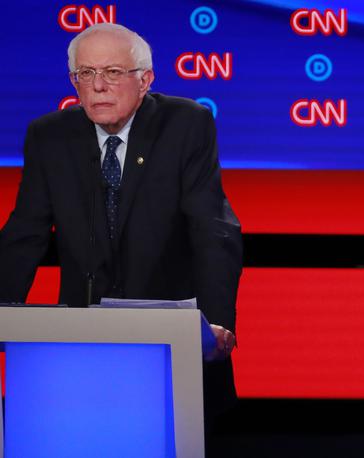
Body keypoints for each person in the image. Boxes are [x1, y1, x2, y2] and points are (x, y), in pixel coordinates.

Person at [0, 22, 242, 450]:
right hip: (81, 341)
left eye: (112, 72)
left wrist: (216, 321)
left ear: (145, 79)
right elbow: (25, 233)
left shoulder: (186, 123)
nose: (98, 87)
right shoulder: (49, 135)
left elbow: (213, 229)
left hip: (167, 335)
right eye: (85, 74)